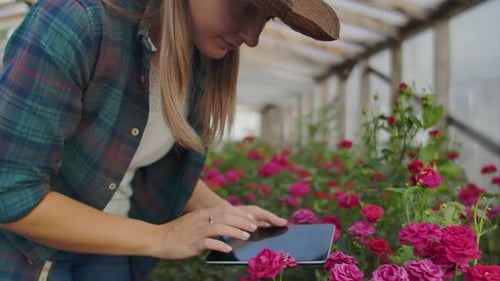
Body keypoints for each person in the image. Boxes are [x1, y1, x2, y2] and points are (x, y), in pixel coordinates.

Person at [0, 0, 340, 280]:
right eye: (246, 7)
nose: (252, 37)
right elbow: (10, 192)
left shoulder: (195, 51)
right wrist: (161, 237)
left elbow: (135, 156)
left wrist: (225, 216)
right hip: (28, 255)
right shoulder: (78, 22)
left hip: (112, 248)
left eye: (265, 19)